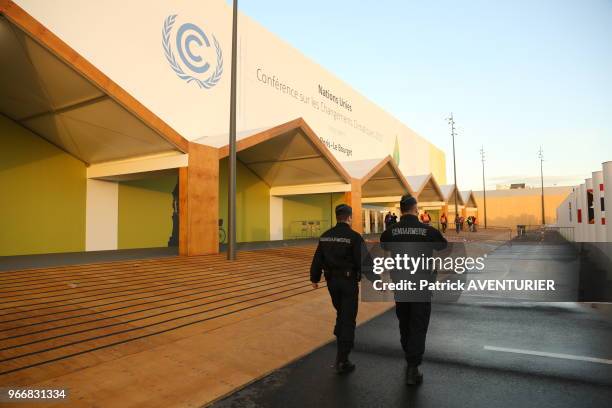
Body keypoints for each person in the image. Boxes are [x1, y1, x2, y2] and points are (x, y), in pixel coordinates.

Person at [380, 195, 448, 385]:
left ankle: (408, 354)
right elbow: (442, 246)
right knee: (418, 323)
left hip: (401, 284)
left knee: (405, 321)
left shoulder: (391, 231)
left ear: (401, 210)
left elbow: (384, 243)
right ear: (415, 208)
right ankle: (413, 367)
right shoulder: (427, 230)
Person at [310, 204, 367, 374]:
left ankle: (340, 337)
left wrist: (314, 278)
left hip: (331, 283)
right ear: (349, 217)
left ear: (337, 217)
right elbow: (364, 262)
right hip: (348, 283)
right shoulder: (354, 237)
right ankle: (343, 359)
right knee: (348, 318)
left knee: (341, 312)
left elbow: (317, 258)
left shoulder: (325, 236)